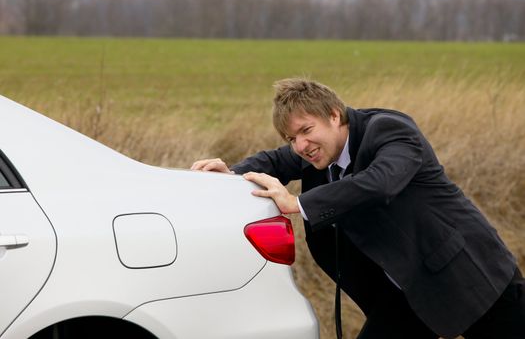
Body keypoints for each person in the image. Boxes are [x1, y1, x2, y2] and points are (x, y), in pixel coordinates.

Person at [191, 78, 524, 339]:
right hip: (405, 295)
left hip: (470, 278)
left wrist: (298, 203)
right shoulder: (317, 149)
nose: (301, 146)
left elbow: (381, 182)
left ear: (335, 115)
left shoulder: (391, 131)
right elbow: (275, 160)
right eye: (292, 138)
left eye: (306, 131)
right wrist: (231, 175)